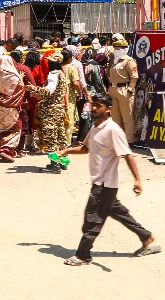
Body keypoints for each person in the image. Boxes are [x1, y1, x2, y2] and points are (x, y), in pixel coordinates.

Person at [59, 93, 159, 266]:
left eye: (99, 105)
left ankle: (83, 255)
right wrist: (65, 152)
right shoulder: (96, 127)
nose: (95, 108)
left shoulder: (113, 130)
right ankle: (146, 237)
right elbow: (85, 149)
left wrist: (137, 180)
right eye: (93, 105)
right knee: (120, 213)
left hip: (105, 184)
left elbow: (127, 155)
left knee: (93, 219)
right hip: (102, 182)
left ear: (109, 109)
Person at [0, 54, 25, 161]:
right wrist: (21, 79)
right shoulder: (15, 77)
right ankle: (6, 149)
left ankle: (0, 147)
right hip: (11, 108)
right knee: (15, 127)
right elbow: (21, 89)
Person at [106, 37, 138, 142]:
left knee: (127, 117)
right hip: (113, 89)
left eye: (118, 48)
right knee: (115, 117)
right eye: (115, 48)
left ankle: (128, 140)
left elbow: (134, 76)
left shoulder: (129, 61)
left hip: (124, 88)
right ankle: (117, 139)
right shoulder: (114, 61)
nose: (116, 50)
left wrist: (130, 89)